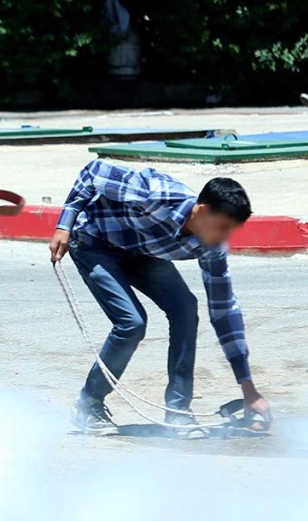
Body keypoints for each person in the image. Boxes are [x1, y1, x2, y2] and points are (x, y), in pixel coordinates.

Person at [48, 160, 272, 434]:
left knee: (186, 308)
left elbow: (224, 312)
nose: (224, 237)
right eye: (222, 227)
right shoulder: (155, 192)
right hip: (94, 243)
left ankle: (178, 411)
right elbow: (93, 172)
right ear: (202, 211)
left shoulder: (212, 247)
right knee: (132, 322)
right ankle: (89, 402)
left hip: (142, 253)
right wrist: (64, 224)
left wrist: (248, 389)